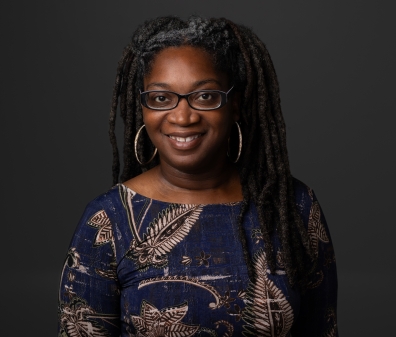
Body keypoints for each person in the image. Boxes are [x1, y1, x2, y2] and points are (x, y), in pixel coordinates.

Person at [57, 16, 338, 337]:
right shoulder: (108, 220)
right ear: (144, 109)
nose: (182, 116)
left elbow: (324, 329)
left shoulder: (294, 208)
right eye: (161, 98)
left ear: (236, 105)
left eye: (205, 96)